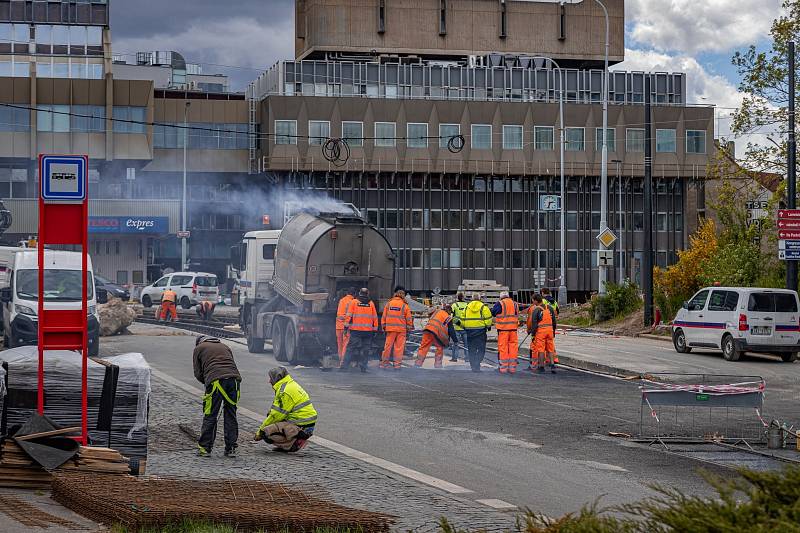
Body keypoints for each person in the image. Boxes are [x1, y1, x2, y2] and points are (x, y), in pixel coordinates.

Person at [193, 335, 241, 457]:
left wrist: (207, 382)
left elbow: (198, 373)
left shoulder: (199, 348)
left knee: (210, 414)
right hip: (234, 381)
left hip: (215, 381)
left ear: (199, 342)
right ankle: (230, 448)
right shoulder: (225, 346)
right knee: (231, 414)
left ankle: (205, 448)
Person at [254, 367, 318, 453]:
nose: (269, 381)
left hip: (303, 426)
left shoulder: (284, 391)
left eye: (271, 378)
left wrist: (259, 432)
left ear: (276, 378)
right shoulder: (289, 384)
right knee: (270, 417)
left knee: (266, 433)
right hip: (306, 423)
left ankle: (294, 443)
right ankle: (292, 440)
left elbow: (276, 415)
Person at [341, 288, 378, 372]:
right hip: (368, 331)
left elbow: (349, 316)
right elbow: (375, 317)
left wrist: (346, 327)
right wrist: (375, 329)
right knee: (366, 349)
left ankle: (344, 367)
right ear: (367, 294)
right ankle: (363, 368)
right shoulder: (371, 303)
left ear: (359, 293)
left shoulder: (354, 302)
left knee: (350, 348)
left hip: (355, 330)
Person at [415, 304, 458, 369]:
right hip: (436, 333)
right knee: (439, 348)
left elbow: (430, 314)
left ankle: (417, 364)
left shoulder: (437, 312)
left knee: (423, 348)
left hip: (428, 330)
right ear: (449, 310)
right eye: (450, 312)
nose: (450, 314)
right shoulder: (448, 317)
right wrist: (455, 340)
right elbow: (451, 330)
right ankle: (438, 365)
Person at [381, 286, 413, 369]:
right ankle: (397, 365)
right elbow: (409, 318)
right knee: (399, 348)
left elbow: (384, 316)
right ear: (403, 295)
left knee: (387, 347)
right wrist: (409, 327)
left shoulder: (389, 303)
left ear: (395, 294)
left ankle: (384, 364)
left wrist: (384, 326)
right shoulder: (405, 305)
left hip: (390, 329)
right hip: (401, 330)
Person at [461, 292, 493, 372]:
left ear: (472, 298)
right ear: (480, 298)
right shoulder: (483, 307)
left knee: (471, 350)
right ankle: (477, 363)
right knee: (481, 349)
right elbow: (488, 319)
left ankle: (474, 368)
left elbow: (462, 319)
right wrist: (487, 326)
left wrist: (465, 326)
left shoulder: (466, 307)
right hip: (480, 332)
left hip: (469, 332)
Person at [527, 294, 558, 373]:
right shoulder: (550, 308)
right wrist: (553, 331)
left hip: (541, 332)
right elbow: (554, 321)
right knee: (550, 349)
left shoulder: (536, 310)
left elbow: (534, 323)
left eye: (533, 300)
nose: (532, 302)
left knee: (541, 349)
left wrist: (533, 334)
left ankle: (541, 366)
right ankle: (552, 365)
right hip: (550, 331)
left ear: (536, 300)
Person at [491, 291, 520, 375]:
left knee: (503, 348)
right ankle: (512, 368)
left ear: (501, 297)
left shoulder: (500, 303)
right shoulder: (515, 304)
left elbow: (493, 313)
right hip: (513, 330)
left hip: (503, 330)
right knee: (513, 348)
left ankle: (503, 368)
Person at [335, 288, 356, 366]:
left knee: (339, 344)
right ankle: (343, 362)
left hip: (338, 326)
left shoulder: (341, 300)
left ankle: (340, 359)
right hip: (345, 326)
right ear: (354, 294)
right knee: (345, 344)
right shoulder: (353, 302)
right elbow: (351, 315)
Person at [450, 293, 469, 362]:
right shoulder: (467, 305)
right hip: (465, 327)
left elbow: (451, 317)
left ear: (457, 298)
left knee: (455, 344)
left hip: (456, 328)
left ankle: (454, 358)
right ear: (463, 298)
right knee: (467, 344)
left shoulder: (454, 305)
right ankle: (467, 358)